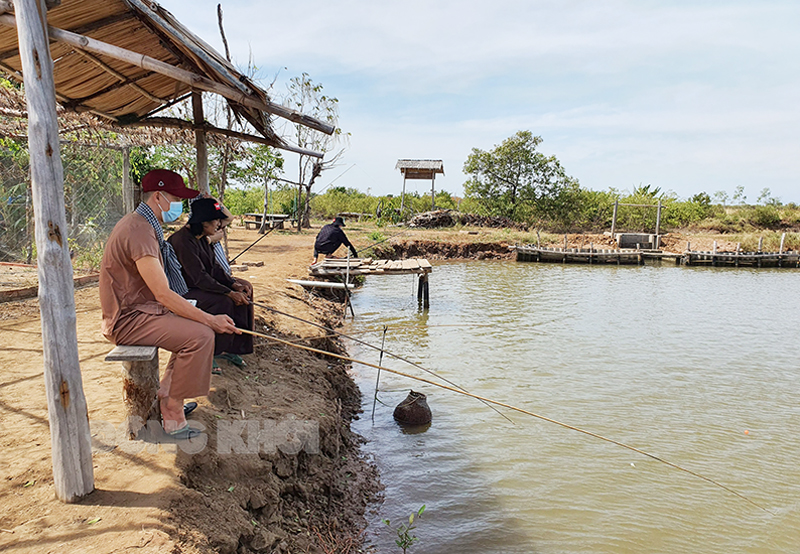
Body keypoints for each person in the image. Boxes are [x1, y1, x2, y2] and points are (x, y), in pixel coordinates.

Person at [99, 169, 239, 439]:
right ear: (159, 196)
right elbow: (162, 293)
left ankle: (167, 392)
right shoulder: (139, 230)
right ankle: (172, 411)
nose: (180, 206)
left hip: (142, 310)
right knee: (201, 335)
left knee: (194, 325)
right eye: (177, 198)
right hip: (128, 319)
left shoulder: (144, 224)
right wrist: (209, 320)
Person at [168, 198, 254, 370]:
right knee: (224, 302)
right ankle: (212, 352)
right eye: (215, 220)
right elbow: (199, 277)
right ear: (203, 222)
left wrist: (234, 285)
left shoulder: (202, 238)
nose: (219, 224)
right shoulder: (182, 241)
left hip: (199, 287)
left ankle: (233, 347)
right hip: (183, 292)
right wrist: (228, 293)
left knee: (244, 295)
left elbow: (213, 267)